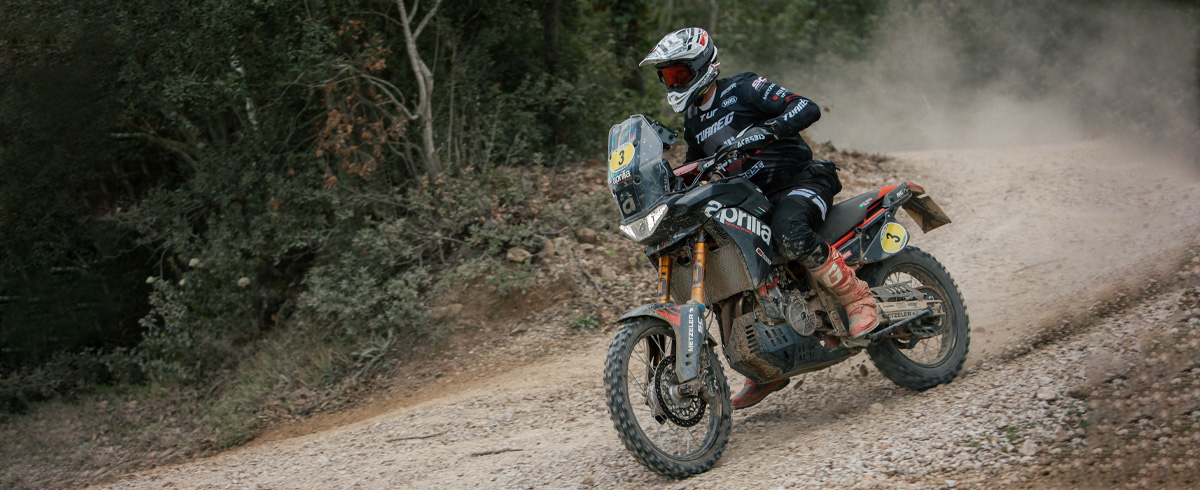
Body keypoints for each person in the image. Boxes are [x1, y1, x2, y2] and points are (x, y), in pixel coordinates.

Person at [640, 27, 881, 409]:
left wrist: (768, 129)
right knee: (723, 265)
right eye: (668, 76)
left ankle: (859, 299)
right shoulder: (694, 120)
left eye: (679, 73)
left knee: (789, 234)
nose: (674, 81)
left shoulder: (746, 88)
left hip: (801, 181)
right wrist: (668, 182)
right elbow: (694, 164)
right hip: (755, 200)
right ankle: (763, 367)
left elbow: (807, 107)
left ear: (701, 65)